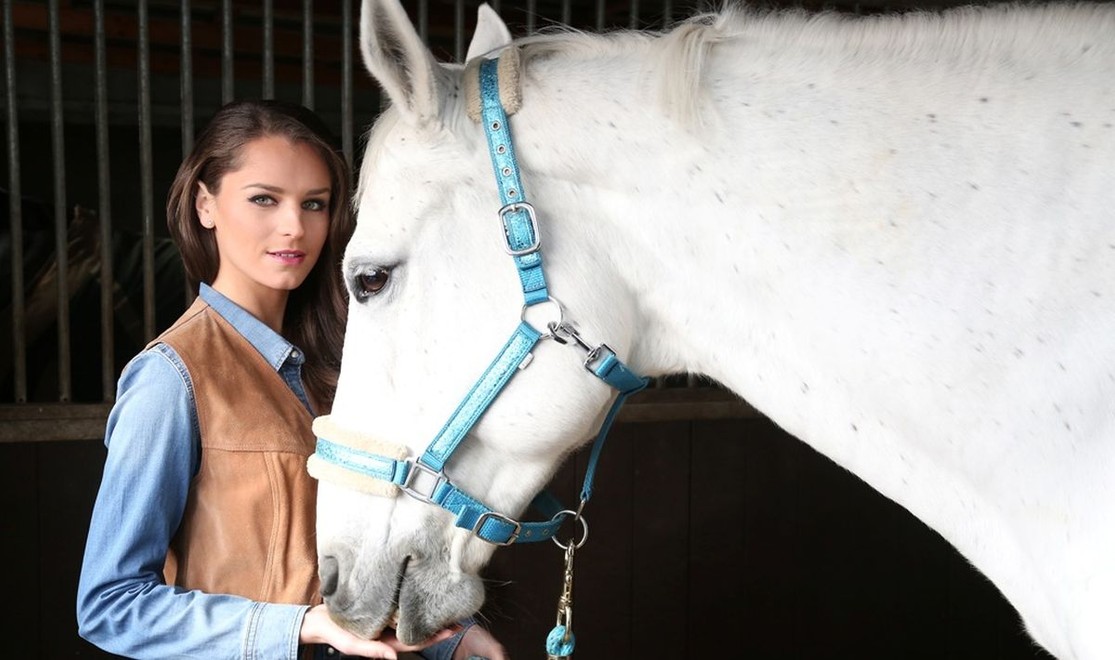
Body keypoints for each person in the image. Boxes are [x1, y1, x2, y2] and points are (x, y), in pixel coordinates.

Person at [76, 99, 508, 660]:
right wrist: (303, 626)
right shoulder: (171, 378)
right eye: (264, 199)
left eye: (315, 204)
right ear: (206, 205)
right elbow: (110, 604)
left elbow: (369, 544)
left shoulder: (346, 361)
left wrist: (448, 639)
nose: (294, 227)